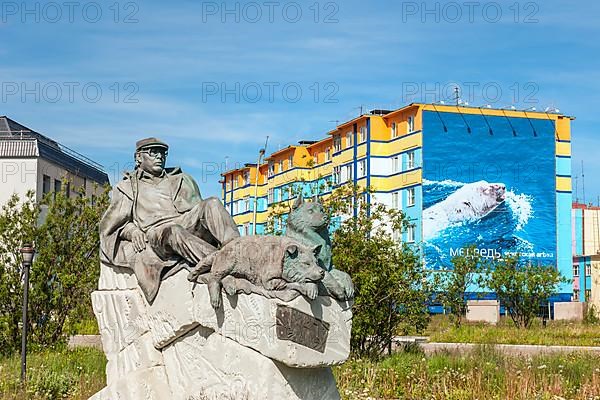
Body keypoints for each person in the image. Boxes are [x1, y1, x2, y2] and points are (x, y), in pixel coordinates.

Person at [99, 137, 240, 302]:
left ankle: (238, 254)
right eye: (153, 152)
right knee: (174, 231)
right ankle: (222, 266)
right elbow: (111, 226)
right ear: (138, 157)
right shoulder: (127, 187)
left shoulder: (180, 179)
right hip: (155, 234)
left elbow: (197, 208)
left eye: (162, 152)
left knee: (213, 203)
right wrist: (132, 231)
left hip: (183, 220)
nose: (159, 156)